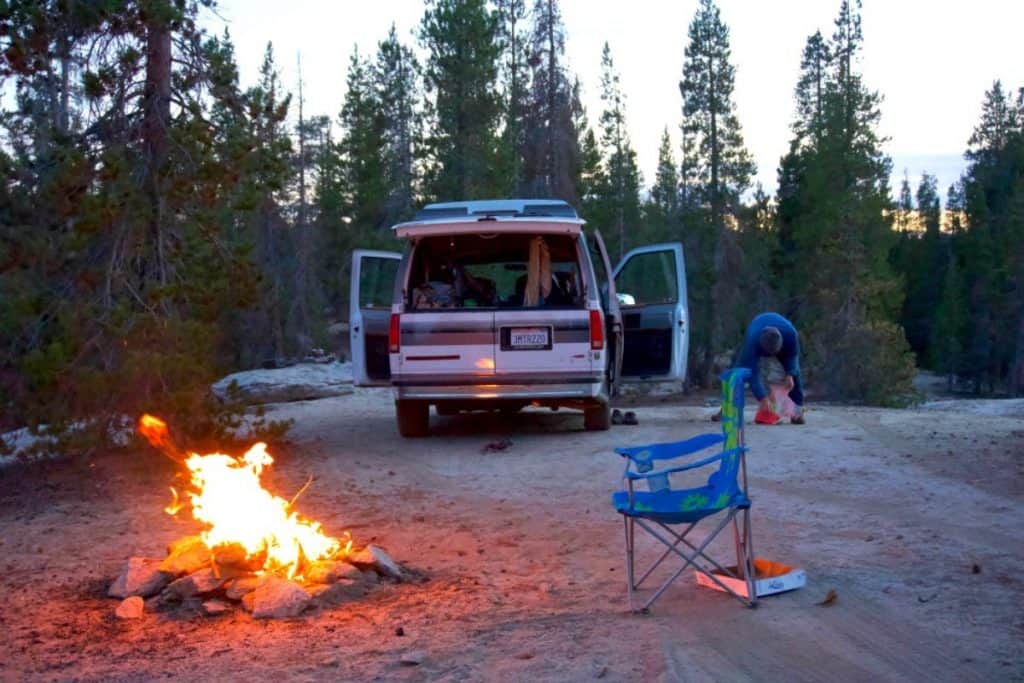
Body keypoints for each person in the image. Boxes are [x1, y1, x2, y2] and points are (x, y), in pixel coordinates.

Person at [713, 312, 805, 425]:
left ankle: (797, 412)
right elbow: (753, 373)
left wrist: (790, 373)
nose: (772, 356)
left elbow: (792, 356)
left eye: (774, 352)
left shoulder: (791, 334)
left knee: (795, 377)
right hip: (757, 327)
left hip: (783, 338)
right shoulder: (752, 342)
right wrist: (762, 398)